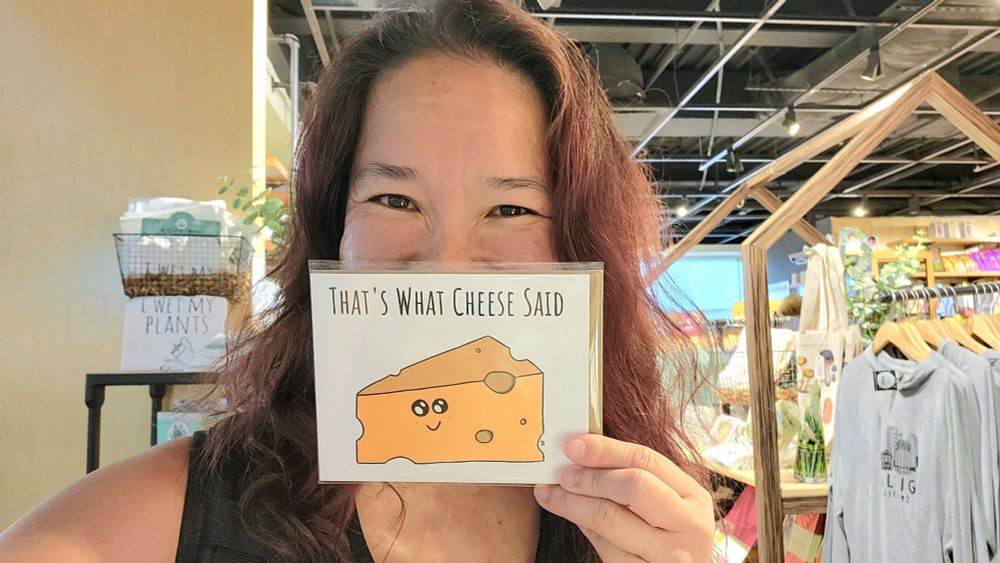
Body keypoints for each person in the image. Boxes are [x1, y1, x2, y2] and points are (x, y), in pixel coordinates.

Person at [0, 1, 714, 561]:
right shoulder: (197, 508)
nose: (445, 262)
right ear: (331, 227)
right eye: (395, 200)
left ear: (574, 245)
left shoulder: (630, 527)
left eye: (511, 208)